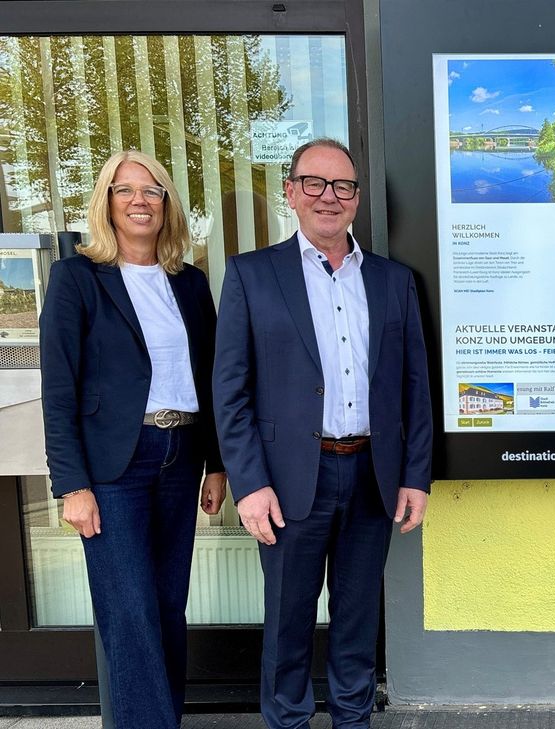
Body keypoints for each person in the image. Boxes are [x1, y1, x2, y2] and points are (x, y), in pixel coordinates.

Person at [213, 138, 432, 729]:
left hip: (371, 476)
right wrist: (249, 484)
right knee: (288, 625)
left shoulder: (393, 281)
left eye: (342, 186)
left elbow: (414, 388)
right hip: (287, 483)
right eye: (314, 183)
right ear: (291, 192)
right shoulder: (252, 276)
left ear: (357, 198)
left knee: (357, 623)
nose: (328, 196)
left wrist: (415, 476)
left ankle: (352, 721)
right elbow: (230, 391)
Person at [39, 150, 227, 728]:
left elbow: (211, 376)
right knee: (129, 612)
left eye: (152, 191)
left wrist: (217, 464)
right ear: (107, 202)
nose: (140, 201)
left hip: (181, 455)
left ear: (167, 205)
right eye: (125, 190)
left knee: (167, 607)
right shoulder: (77, 278)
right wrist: (71, 485)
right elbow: (59, 390)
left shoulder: (189, 282)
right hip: (114, 468)